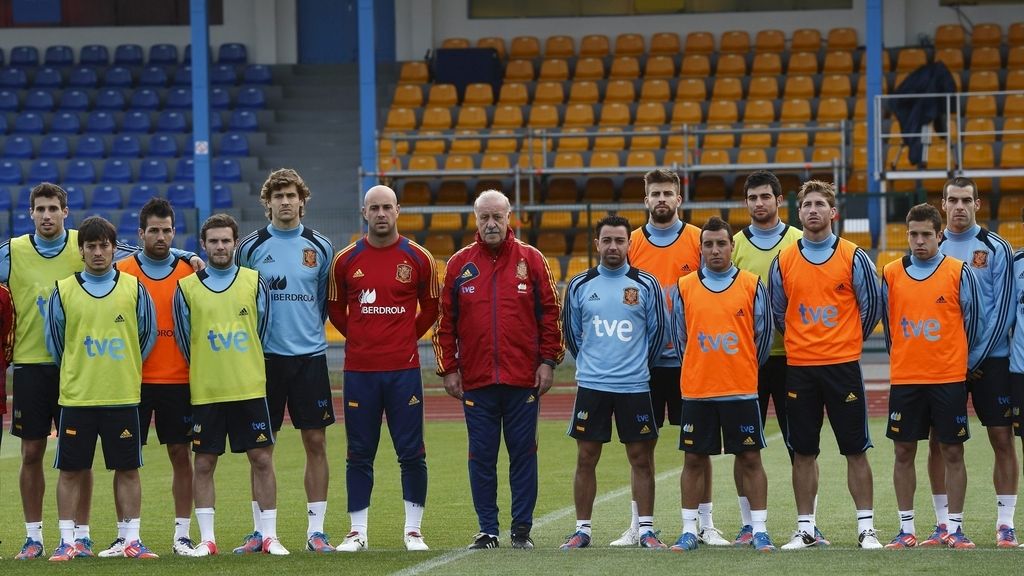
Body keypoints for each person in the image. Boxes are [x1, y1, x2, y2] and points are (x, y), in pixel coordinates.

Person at [3, 182, 201, 560]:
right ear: (31, 213)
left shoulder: (92, 239)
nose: (46, 215)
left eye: (53, 208)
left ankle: (85, 535)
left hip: (97, 380)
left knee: (87, 459)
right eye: (39, 209)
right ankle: (35, 538)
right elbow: (56, 336)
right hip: (39, 368)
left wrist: (185, 254)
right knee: (34, 453)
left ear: (65, 211)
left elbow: (150, 250)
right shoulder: (12, 252)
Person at [433, 189, 563, 550]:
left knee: (524, 456)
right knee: (481, 457)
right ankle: (487, 529)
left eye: (497, 217)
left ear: (510, 218)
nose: (491, 224)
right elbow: (445, 321)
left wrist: (548, 362)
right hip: (476, 382)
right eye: (484, 218)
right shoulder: (459, 264)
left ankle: (521, 531)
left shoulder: (532, 260)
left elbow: (550, 315)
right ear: (476, 220)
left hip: (523, 380)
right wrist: (449, 369)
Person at [768, 179, 882, 549]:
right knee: (803, 450)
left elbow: (871, 308)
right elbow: (779, 312)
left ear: (833, 212)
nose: (813, 210)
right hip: (800, 367)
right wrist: (804, 341)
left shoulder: (853, 255)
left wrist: (845, 341)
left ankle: (866, 529)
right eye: (806, 205)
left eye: (820, 204)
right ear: (798, 213)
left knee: (854, 448)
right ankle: (806, 528)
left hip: (842, 366)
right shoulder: (784, 259)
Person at [327, 185, 439, 552]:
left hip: (402, 370)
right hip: (359, 372)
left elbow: (432, 308)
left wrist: (406, 337)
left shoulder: (418, 258)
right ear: (364, 212)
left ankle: (413, 531)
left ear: (398, 211)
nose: (380, 213)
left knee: (411, 452)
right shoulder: (345, 260)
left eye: (386, 207)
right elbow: (335, 309)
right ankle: (357, 532)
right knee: (359, 452)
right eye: (373, 208)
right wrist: (360, 337)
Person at [619, 169, 727, 546]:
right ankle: (638, 525)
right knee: (639, 448)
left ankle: (705, 524)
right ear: (645, 200)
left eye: (667, 193)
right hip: (644, 365)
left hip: (690, 363)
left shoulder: (700, 240)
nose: (661, 199)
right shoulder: (629, 243)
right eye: (655, 193)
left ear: (679, 199)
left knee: (699, 449)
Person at [44, 216, 158, 561]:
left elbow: (146, 337)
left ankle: (131, 540)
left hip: (122, 395)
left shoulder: (134, 288)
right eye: (90, 246)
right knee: (71, 470)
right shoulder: (63, 290)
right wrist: (83, 368)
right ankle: (67, 542)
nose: (97, 252)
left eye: (103, 245)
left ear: (113, 248)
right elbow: (56, 343)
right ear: (81, 251)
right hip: (78, 396)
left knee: (127, 469)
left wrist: (120, 367)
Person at [234, 169, 336, 553]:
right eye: (278, 196)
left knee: (315, 441)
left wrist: (306, 332)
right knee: (260, 448)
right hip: (263, 361)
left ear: (303, 201)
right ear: (267, 204)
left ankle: (317, 532)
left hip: (309, 358)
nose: (285, 202)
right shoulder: (250, 247)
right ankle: (261, 532)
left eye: (291, 195)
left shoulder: (321, 247)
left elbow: (323, 303)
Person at [173, 214, 285, 557]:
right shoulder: (187, 288)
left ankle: (269, 536)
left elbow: (261, 330)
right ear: (203, 245)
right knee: (204, 463)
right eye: (213, 241)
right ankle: (207, 539)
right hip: (207, 391)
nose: (220, 247)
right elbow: (183, 338)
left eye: (225, 240)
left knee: (262, 459)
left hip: (249, 387)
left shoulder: (254, 281)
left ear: (235, 243)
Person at [560, 215, 669, 550]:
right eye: (606, 240)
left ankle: (646, 530)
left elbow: (658, 334)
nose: (612, 246)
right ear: (597, 244)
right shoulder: (579, 285)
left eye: (619, 240)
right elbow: (572, 336)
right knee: (586, 457)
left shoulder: (646, 285)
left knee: (640, 457)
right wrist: (594, 364)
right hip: (592, 385)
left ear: (629, 244)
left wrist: (634, 365)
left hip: (634, 385)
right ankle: (582, 530)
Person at [881, 203, 985, 550]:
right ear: (906, 235)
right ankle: (906, 528)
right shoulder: (892, 272)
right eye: (913, 234)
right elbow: (889, 327)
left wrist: (958, 363)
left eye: (927, 234)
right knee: (903, 451)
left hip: (947, 378)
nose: (920, 241)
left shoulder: (958, 271)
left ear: (940, 235)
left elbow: (973, 320)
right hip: (906, 378)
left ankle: (954, 528)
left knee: (951, 450)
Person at [98, 198, 198, 557]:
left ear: (174, 232)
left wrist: (188, 256)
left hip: (179, 379)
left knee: (180, 454)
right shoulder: (122, 270)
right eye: (153, 230)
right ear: (140, 233)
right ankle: (125, 536)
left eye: (167, 230)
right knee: (126, 458)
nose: (160, 236)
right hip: (132, 381)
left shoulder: (190, 271)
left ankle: (182, 535)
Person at [669, 217, 775, 552]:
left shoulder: (751, 283)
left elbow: (764, 338)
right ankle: (690, 529)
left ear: (732, 246)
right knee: (694, 459)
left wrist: (739, 365)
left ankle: (759, 529)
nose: (715, 250)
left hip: (740, 389)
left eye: (721, 243)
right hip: (698, 390)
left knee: (749, 458)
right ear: (700, 249)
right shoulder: (684, 286)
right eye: (709, 244)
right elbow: (680, 339)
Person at [931, 176, 1018, 548]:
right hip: (945, 364)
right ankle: (944, 524)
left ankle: (1005, 523)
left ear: (978, 205)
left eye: (967, 200)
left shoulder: (996, 247)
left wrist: (974, 358)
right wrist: (955, 359)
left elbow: (1004, 312)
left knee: (1001, 438)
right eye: (953, 200)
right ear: (943, 205)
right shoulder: (932, 246)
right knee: (940, 442)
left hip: (991, 361)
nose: (960, 206)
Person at [729, 170, 813, 547]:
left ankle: (807, 525)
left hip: (794, 357)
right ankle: (749, 524)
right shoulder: (733, 245)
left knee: (801, 445)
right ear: (746, 202)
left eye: (766, 196)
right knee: (744, 445)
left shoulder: (799, 241)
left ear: (780, 200)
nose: (759, 203)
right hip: (746, 360)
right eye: (753, 197)